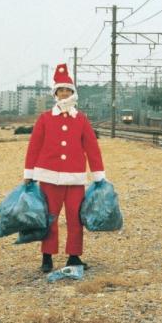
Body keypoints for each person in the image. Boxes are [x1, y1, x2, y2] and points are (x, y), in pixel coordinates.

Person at [23, 63, 105, 273]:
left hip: (75, 178)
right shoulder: (45, 118)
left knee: (75, 218)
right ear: (55, 93)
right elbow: (34, 146)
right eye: (61, 90)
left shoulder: (81, 119)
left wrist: (98, 175)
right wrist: (29, 173)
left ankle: (74, 257)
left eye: (68, 90)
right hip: (49, 177)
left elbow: (92, 148)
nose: (64, 93)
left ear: (73, 92)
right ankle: (47, 257)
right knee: (49, 217)